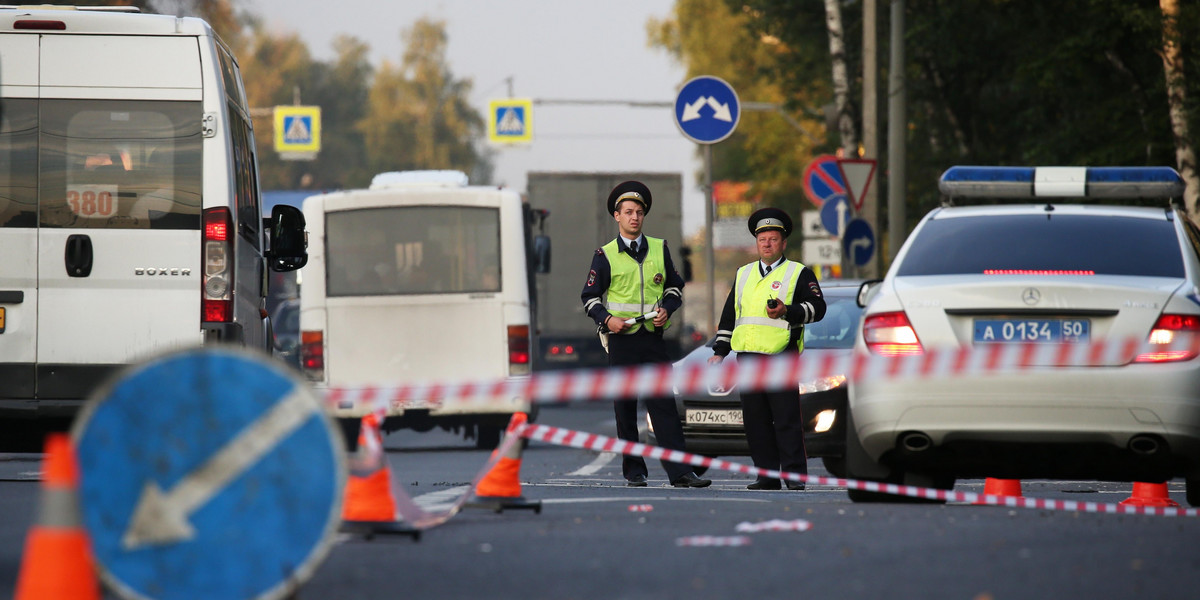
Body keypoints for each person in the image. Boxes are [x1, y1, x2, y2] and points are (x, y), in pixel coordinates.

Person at [581, 180, 711, 488]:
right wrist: (608, 319)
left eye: (639, 212)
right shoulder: (605, 254)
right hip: (622, 340)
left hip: (652, 339)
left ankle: (680, 473)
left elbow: (675, 288)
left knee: (664, 406)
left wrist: (668, 308)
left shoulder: (659, 248)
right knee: (625, 408)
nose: (634, 217)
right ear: (617, 216)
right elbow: (589, 298)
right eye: (628, 212)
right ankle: (634, 471)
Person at [708, 207, 826, 490]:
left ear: (783, 243)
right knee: (756, 421)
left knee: (786, 420)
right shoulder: (744, 274)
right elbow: (730, 316)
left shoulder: (798, 272)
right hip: (748, 358)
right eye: (763, 239)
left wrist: (789, 310)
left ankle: (795, 476)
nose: (767, 243)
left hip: (781, 357)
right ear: (756, 243)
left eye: (773, 239)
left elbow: (818, 308)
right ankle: (767, 476)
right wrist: (719, 351)